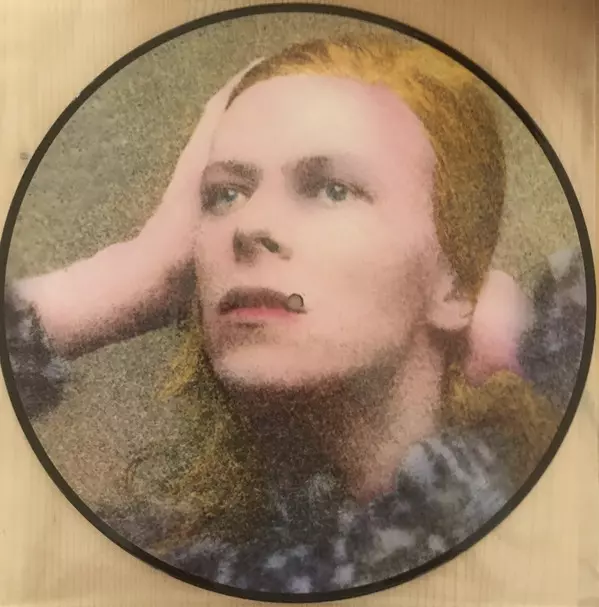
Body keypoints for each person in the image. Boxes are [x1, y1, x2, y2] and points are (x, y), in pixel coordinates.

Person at [4, 36, 587, 594]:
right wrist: (131, 276)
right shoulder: (168, 565)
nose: (250, 227)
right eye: (224, 195)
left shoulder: (557, 535)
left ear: (456, 279)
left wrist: (536, 340)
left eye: (331, 189)